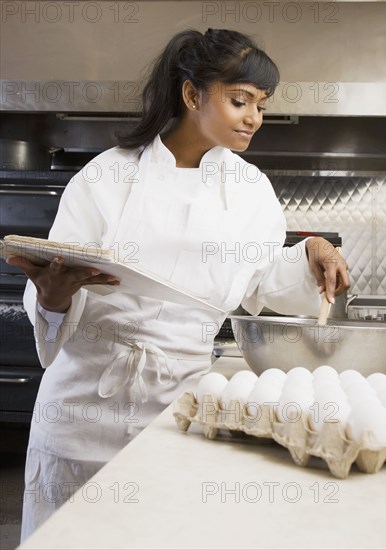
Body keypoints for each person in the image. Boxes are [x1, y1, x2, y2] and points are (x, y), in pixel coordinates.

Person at [9, 28, 350, 541]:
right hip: (84, 407)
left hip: (182, 406)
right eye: (240, 101)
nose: (254, 118)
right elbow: (57, 276)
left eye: (261, 104)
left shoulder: (249, 189)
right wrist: (53, 297)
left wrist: (311, 254)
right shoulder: (107, 177)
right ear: (191, 95)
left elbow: (258, 280)